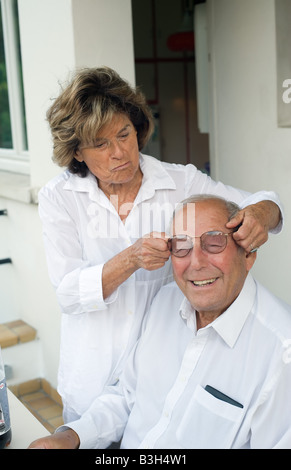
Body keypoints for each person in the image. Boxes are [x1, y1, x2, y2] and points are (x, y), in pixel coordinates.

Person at [39, 66, 283, 424]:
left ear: (137, 129)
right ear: (77, 152)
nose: (119, 152)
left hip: (158, 379)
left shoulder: (179, 180)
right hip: (90, 382)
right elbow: (68, 294)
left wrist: (264, 212)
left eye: (124, 135)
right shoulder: (59, 197)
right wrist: (130, 259)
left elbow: (261, 204)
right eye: (100, 144)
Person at [29, 195, 291, 449]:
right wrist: (71, 437)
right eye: (182, 246)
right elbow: (127, 395)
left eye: (214, 243)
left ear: (248, 255)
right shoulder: (165, 302)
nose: (196, 263)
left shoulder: (281, 353)